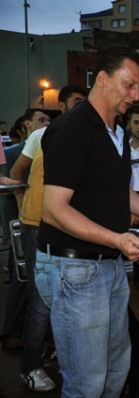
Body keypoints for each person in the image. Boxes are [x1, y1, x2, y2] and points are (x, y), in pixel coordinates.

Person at [35, 47, 139, 397]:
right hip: (76, 266)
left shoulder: (115, 132)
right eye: (129, 85)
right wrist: (117, 239)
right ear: (102, 80)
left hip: (109, 264)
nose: (136, 96)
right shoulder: (71, 129)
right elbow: (54, 209)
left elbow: (120, 192)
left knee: (115, 369)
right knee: (86, 382)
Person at [15, 85, 86, 392]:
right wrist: (25, 210)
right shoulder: (41, 136)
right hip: (38, 227)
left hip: (67, 228)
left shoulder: (86, 140)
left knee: (64, 296)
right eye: (76, 103)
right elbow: (17, 173)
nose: (82, 108)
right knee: (42, 300)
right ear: (64, 106)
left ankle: (57, 349)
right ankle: (29, 366)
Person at [0, 108, 50, 352]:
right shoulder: (11, 152)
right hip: (19, 216)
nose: (45, 123)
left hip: (39, 218)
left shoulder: (53, 141)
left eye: (47, 120)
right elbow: (10, 179)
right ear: (26, 124)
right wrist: (21, 207)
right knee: (22, 275)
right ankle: (10, 332)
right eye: (40, 119)